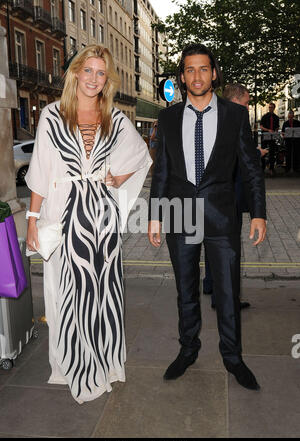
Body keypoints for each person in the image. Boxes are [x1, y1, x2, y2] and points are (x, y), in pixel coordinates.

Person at [25, 45, 151, 404]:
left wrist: (115, 176)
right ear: (76, 72)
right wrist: (32, 220)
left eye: (101, 73)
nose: (94, 79)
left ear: (106, 79)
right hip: (65, 215)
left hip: (101, 218)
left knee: (104, 293)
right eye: (89, 71)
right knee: (66, 293)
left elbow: (141, 154)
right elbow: (40, 172)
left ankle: (106, 362)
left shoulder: (114, 117)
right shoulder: (52, 115)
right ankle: (71, 365)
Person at [148, 43, 266, 391]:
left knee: (228, 291)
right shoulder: (168, 117)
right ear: (182, 76)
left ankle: (233, 357)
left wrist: (258, 214)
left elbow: (251, 168)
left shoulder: (235, 114)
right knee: (186, 289)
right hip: (179, 213)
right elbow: (162, 171)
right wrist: (155, 215)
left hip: (221, 217)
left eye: (203, 69)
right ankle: (188, 350)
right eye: (189, 70)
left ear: (214, 73)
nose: (196, 76)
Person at [203, 83, 268, 310]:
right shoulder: (235, 120)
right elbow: (244, 164)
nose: (248, 107)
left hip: (210, 197)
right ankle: (226, 298)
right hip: (230, 197)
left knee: (212, 242)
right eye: (247, 102)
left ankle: (210, 284)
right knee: (229, 250)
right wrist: (255, 154)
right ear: (236, 100)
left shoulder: (211, 118)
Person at [260, 102, 279, 176]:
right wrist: (268, 130)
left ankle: (271, 168)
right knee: (263, 153)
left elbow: (277, 127)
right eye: (269, 107)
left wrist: (276, 131)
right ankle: (262, 168)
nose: (270, 108)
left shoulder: (276, 117)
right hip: (265, 136)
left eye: (272, 107)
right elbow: (261, 126)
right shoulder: (264, 116)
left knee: (272, 153)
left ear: (274, 108)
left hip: (272, 136)